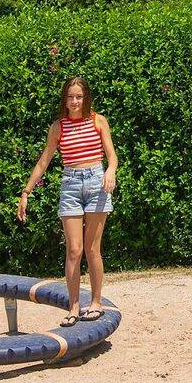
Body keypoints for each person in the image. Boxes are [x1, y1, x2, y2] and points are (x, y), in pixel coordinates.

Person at [18, 76, 118, 327]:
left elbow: (112, 156)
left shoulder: (98, 121)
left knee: (93, 248)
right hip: (71, 184)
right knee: (74, 250)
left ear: (86, 98)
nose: (74, 101)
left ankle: (96, 302)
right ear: (65, 99)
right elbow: (44, 161)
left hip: (96, 181)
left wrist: (110, 171)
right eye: (70, 97)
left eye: (79, 97)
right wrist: (26, 192)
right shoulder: (58, 127)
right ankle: (74, 305)